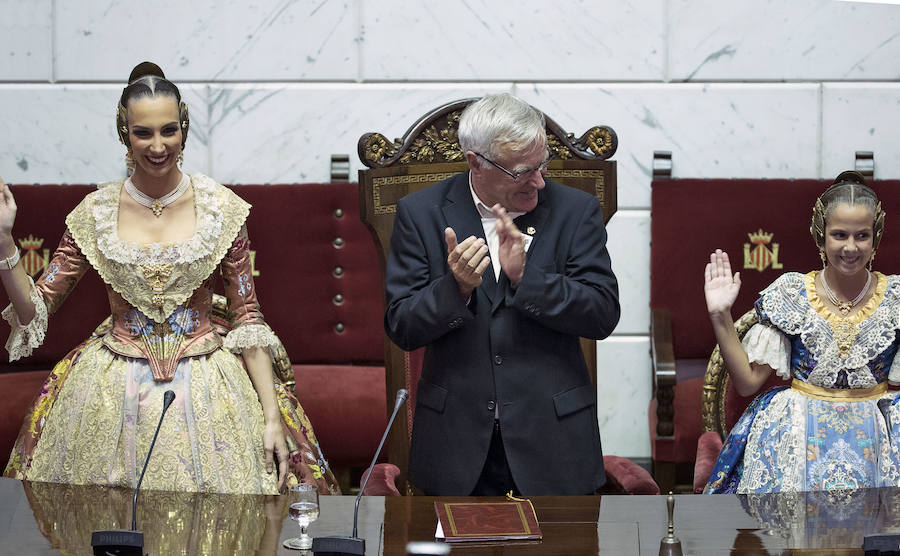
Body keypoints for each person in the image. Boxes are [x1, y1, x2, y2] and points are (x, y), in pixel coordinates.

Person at [0, 62, 339, 495]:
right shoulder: (96, 212)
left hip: (210, 384)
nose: (158, 146)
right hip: (110, 390)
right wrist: (6, 243)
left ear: (184, 128)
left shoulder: (222, 208)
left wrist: (272, 419)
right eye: (144, 133)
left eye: (169, 131)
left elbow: (247, 319)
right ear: (125, 134)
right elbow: (34, 311)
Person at [384, 93, 620, 496]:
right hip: (456, 446)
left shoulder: (575, 211)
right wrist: (454, 288)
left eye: (542, 165)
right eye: (523, 171)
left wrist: (527, 278)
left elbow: (601, 314)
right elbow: (402, 326)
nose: (539, 181)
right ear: (475, 160)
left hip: (554, 444)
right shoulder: (421, 213)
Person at [704, 170, 900, 494]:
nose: (850, 247)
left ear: (875, 237)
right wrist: (720, 314)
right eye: (839, 235)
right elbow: (746, 382)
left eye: (861, 236)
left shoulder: (894, 298)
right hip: (796, 436)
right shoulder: (792, 292)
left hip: (877, 440)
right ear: (821, 235)